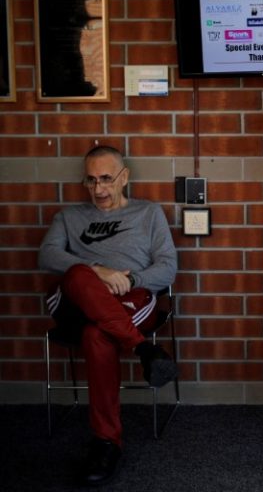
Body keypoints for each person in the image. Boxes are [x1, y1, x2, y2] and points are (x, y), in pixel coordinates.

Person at [39, 145, 178, 487]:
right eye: (90, 180)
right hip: (73, 301)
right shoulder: (68, 217)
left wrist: (131, 279)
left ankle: (106, 442)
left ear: (124, 177)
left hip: (129, 299)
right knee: (78, 274)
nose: (98, 189)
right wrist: (97, 270)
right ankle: (144, 349)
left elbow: (168, 267)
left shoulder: (148, 213)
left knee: (96, 335)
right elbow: (47, 255)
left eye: (105, 179)